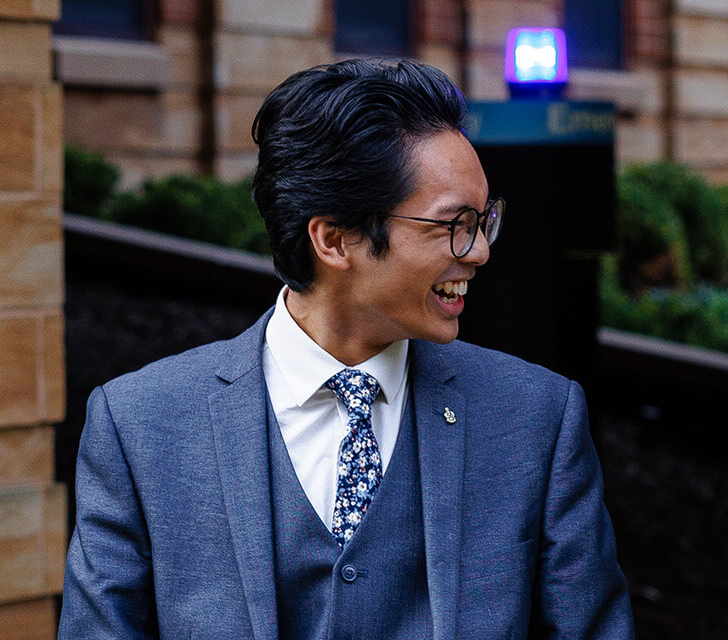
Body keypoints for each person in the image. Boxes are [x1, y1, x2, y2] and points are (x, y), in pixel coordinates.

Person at [60, 58, 634, 640]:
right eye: (454, 224)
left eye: (484, 219)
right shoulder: (140, 424)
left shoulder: (537, 417)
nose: (481, 250)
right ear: (334, 240)